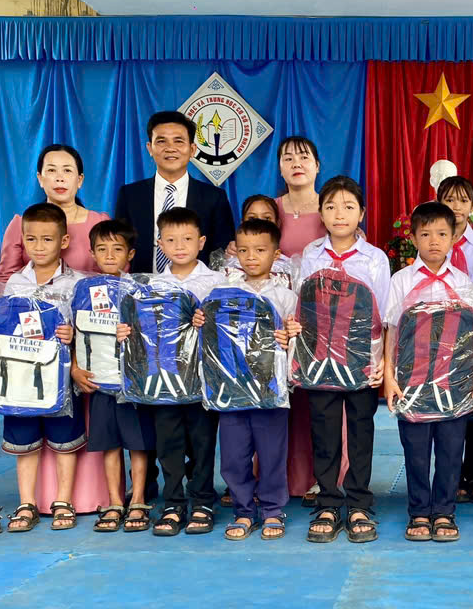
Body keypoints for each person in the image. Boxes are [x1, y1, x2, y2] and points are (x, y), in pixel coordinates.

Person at [383, 201, 473, 542]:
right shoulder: (401, 280)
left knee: (450, 450)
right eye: (425, 234)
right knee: (415, 451)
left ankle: (444, 512)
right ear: (413, 238)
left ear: (454, 238)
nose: (434, 241)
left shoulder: (463, 282)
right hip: (411, 380)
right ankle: (418, 512)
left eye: (442, 234)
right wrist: (389, 378)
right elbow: (391, 332)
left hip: (454, 381)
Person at [295, 176, 391, 544]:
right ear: (321, 213)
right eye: (331, 207)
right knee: (324, 430)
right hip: (319, 358)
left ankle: (359, 502)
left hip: (361, 360)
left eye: (349, 207)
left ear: (361, 213)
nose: (340, 214)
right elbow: (303, 307)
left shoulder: (375, 258)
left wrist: (380, 363)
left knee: (361, 430)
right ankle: (329, 501)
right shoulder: (311, 255)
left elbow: (383, 316)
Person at [116, 207, 222, 536]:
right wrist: (125, 331)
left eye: (187, 239)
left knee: (203, 442)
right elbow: (139, 329)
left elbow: (227, 329)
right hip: (162, 380)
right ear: (159, 244)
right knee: (168, 443)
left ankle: (202, 500)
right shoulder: (149, 286)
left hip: (203, 380)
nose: (180, 246)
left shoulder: (217, 282)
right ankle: (173, 502)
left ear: (201, 242)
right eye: (171, 240)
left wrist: (208, 321)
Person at [0, 202, 84, 533]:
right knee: (25, 444)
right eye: (31, 239)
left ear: (64, 241)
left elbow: (87, 331)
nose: (39, 246)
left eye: (47, 239)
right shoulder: (15, 284)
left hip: (61, 380)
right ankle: (26, 503)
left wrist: (72, 334)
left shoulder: (77, 284)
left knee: (64, 442)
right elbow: (4, 328)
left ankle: (63, 501)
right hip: (22, 379)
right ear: (23, 241)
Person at [70, 219, 156, 534]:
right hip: (99, 381)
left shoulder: (140, 290)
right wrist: (75, 368)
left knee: (138, 444)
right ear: (92, 253)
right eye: (102, 249)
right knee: (110, 444)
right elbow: (75, 334)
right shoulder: (82, 290)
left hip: (132, 382)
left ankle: (139, 499)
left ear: (130, 254)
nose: (109, 255)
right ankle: (115, 501)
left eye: (117, 249)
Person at [220, 217, 302, 542]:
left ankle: (272, 510)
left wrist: (290, 337)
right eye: (244, 250)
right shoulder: (222, 293)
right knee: (233, 455)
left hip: (271, 390)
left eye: (260, 250)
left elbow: (297, 344)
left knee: (271, 454)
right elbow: (212, 338)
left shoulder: (286, 297)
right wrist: (200, 320)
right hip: (232, 389)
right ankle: (243, 510)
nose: (251, 256)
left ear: (276, 254)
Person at [113, 111, 235, 274]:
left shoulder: (214, 197)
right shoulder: (130, 195)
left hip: (198, 285)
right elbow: (119, 246)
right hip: (141, 284)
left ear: (192, 149)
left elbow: (221, 251)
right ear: (150, 148)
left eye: (178, 141)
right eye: (161, 141)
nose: (170, 148)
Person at [437, 174, 473, 504]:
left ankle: (472, 474)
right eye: (449, 199)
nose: (456, 206)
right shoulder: (433, 238)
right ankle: (451, 473)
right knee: (445, 405)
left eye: (463, 200)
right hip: (441, 332)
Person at [275, 137, 327, 504]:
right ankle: (280, 477)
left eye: (304, 157)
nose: (296, 163)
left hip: (320, 319)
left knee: (319, 401)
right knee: (281, 399)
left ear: (317, 166)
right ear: (279, 167)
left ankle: (325, 477)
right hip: (278, 322)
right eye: (288, 158)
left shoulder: (333, 207)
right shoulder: (270, 209)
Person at [0, 144, 109, 285]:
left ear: (79, 180)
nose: (59, 178)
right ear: (40, 179)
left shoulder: (100, 223)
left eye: (67, 170)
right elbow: (4, 280)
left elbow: (113, 275)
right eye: (51, 170)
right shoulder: (20, 224)